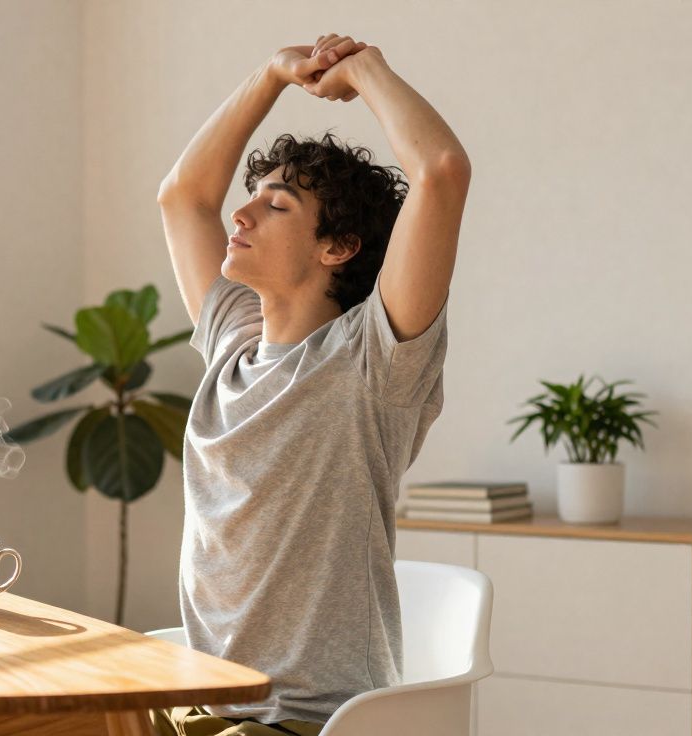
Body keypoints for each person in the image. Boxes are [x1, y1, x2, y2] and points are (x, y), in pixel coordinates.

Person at [154, 33, 468, 735]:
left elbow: (441, 170)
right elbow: (183, 198)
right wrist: (270, 75)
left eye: (278, 205)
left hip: (305, 723)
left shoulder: (370, 362)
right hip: (204, 701)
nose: (244, 213)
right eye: (253, 196)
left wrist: (365, 70)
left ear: (338, 247)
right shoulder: (231, 345)